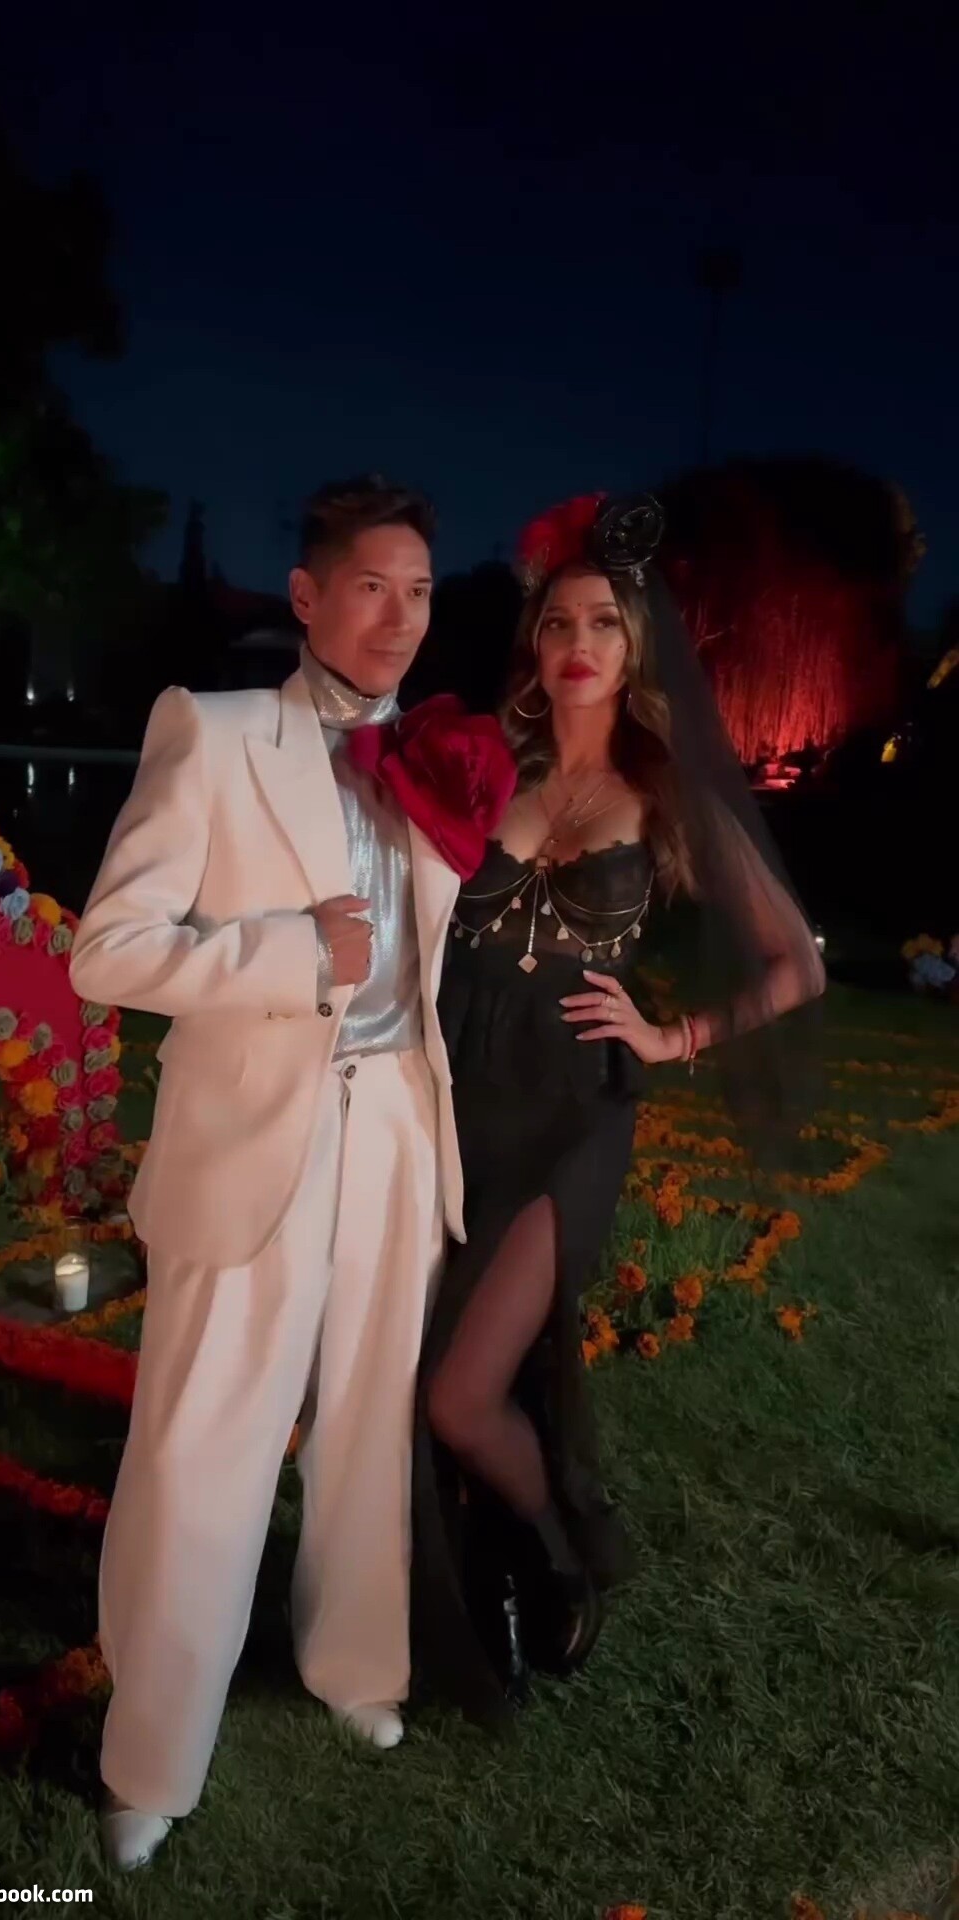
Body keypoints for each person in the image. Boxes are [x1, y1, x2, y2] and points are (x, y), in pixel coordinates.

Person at [70, 477, 488, 1869]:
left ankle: (354, 1662)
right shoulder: (217, 731)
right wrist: (292, 951)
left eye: (419, 592)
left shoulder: (436, 758)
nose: (399, 617)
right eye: (371, 587)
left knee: (370, 1421)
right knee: (205, 1441)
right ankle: (153, 1752)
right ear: (307, 596)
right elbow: (107, 951)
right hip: (255, 1134)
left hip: (397, 1129)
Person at [410, 491, 826, 1725]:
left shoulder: (666, 792)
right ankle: (486, 1562)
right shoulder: (490, 764)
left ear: (635, 646)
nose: (579, 642)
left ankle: (554, 1553)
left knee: (458, 1392)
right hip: (452, 1098)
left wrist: (672, 1035)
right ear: (534, 647)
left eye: (603, 622)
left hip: (573, 1114)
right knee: (423, 1370)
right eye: (558, 623)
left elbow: (796, 964)